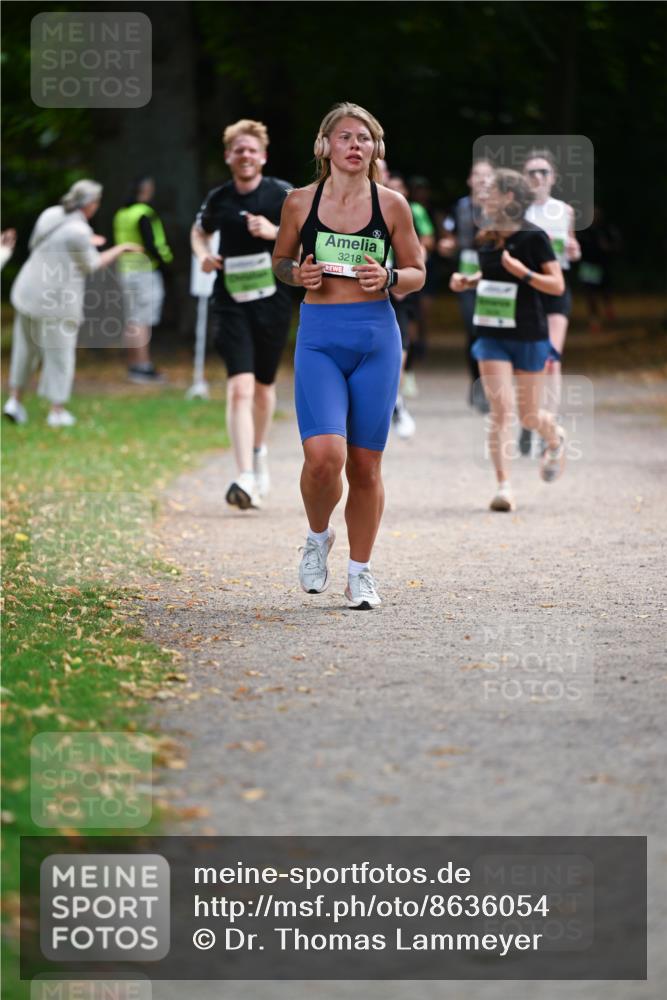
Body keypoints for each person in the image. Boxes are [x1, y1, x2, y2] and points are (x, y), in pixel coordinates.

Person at [272, 102, 425, 609]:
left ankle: (360, 573)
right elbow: (280, 260)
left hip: (376, 339)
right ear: (324, 145)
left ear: (376, 148)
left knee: (364, 465)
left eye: (364, 138)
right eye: (344, 137)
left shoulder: (393, 205)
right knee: (324, 457)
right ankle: (318, 536)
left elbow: (418, 271)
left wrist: (391, 276)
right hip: (319, 337)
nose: (354, 145)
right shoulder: (299, 202)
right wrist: (297, 274)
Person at [449, 168, 566, 512]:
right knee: (501, 412)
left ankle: (555, 437)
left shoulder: (533, 237)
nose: (483, 194)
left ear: (509, 197)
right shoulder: (486, 236)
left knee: (529, 416)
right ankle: (504, 487)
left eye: (491, 190)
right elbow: (492, 274)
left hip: (529, 333)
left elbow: (556, 285)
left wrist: (523, 273)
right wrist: (469, 281)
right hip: (492, 334)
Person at [191, 119, 293, 510]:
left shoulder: (282, 194)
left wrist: (273, 232)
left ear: (263, 156)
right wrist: (204, 255)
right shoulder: (219, 198)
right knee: (239, 387)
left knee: (264, 388)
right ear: (228, 156)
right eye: (239, 150)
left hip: (272, 301)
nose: (245, 155)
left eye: (251, 149)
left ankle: (258, 452)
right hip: (230, 300)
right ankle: (244, 475)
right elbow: (199, 231)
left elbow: (308, 237)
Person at [4, 180, 141, 427]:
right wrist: (121, 249)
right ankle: (57, 411)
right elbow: (92, 265)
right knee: (60, 354)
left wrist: (87, 241)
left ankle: (14, 401)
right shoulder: (79, 231)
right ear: (90, 204)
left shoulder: (51, 214)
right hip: (56, 300)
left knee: (24, 350)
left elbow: (38, 244)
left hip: (27, 291)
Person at [520, 149, 581, 454]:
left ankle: (549, 426)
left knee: (551, 359)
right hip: (527, 291)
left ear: (552, 177)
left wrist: (573, 249)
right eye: (531, 172)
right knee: (527, 359)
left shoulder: (564, 211)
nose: (537, 177)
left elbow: (572, 248)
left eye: (543, 172)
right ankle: (530, 417)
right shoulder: (518, 212)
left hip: (556, 289)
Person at [439, 158, 495, 412]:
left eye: (487, 175)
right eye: (478, 175)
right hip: (467, 277)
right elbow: (447, 235)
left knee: (493, 330)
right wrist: (447, 244)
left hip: (496, 277)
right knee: (475, 328)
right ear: (470, 180)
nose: (482, 180)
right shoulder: (460, 207)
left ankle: (491, 386)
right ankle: (477, 383)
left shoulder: (503, 208)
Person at [113, 176, 173, 384]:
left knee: (131, 318)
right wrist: (167, 265)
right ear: (145, 190)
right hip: (145, 271)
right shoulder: (144, 213)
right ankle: (143, 366)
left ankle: (133, 364)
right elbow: (152, 243)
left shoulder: (122, 214)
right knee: (143, 320)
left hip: (125, 270)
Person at [577, 205, 622, 331]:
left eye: (596, 214)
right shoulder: (583, 232)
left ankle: (608, 309)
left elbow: (617, 245)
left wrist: (608, 247)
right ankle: (594, 319)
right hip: (588, 266)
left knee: (606, 292)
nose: (594, 217)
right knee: (590, 294)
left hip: (603, 265)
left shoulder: (608, 229)